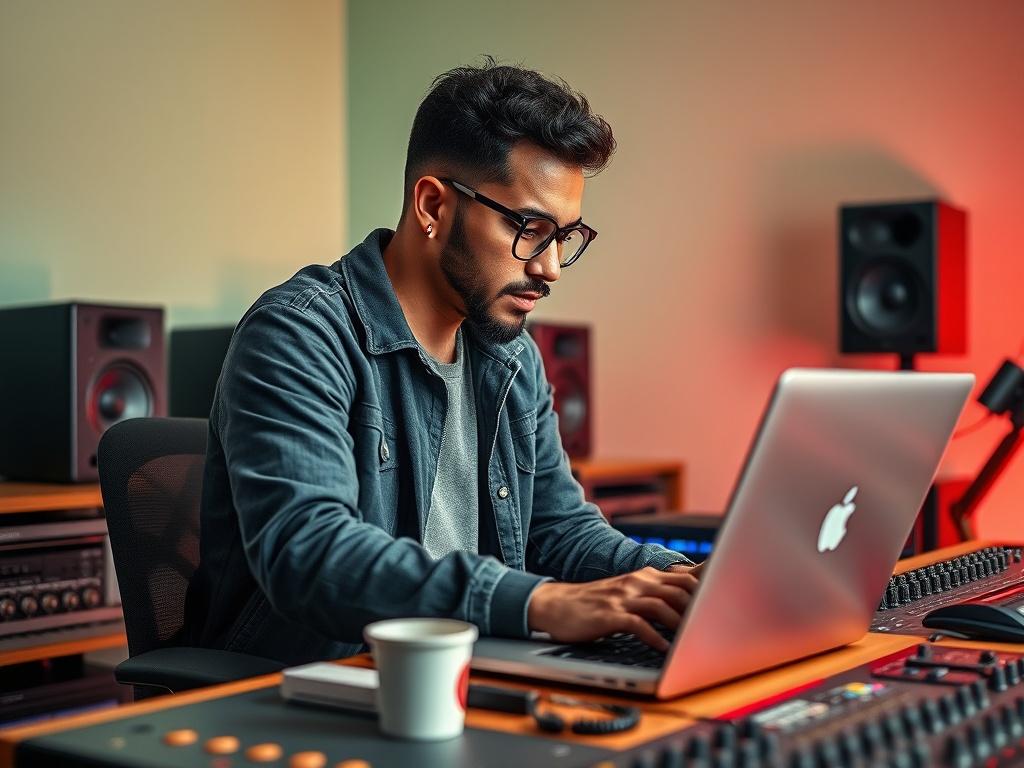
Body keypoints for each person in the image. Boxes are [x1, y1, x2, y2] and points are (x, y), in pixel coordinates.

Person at [184, 58, 702, 666]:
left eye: (566, 236)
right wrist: (540, 605)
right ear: (432, 206)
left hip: (465, 682)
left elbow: (556, 529)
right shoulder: (299, 333)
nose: (550, 266)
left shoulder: (511, 357)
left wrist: (679, 579)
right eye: (530, 227)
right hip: (313, 691)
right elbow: (311, 554)